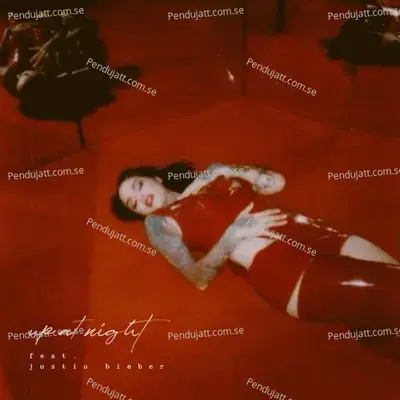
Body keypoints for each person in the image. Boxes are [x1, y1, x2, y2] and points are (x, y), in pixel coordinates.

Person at [111, 162, 400, 359]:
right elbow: (198, 278)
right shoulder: (158, 223)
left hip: (321, 235)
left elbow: (275, 183)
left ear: (156, 178)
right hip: (285, 270)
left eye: (138, 186)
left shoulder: (211, 177)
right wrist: (235, 232)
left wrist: (228, 169)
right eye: (133, 204)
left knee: (382, 321)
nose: (141, 199)